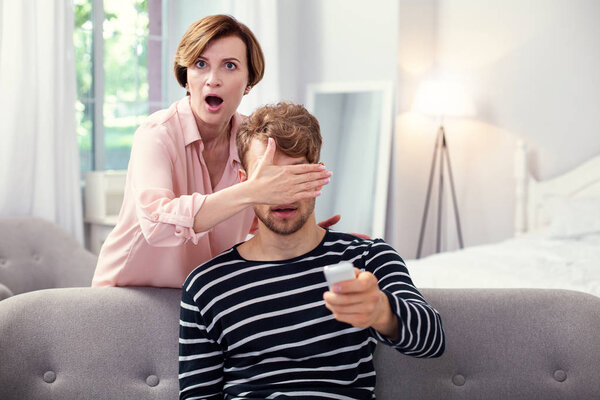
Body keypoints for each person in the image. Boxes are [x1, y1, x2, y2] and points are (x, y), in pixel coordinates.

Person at [179, 103, 445, 400]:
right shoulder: (207, 285)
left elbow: (432, 339)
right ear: (244, 183)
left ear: (318, 175)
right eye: (269, 178)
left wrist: (381, 311)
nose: (284, 192)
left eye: (296, 176)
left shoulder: (367, 258)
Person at [91, 15, 334, 288]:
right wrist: (252, 191)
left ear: (249, 81)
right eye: (200, 64)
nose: (213, 79)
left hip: (203, 295)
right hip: (128, 294)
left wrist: (304, 232)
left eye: (230, 66)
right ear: (186, 77)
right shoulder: (156, 134)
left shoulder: (252, 138)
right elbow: (157, 225)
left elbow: (249, 218)